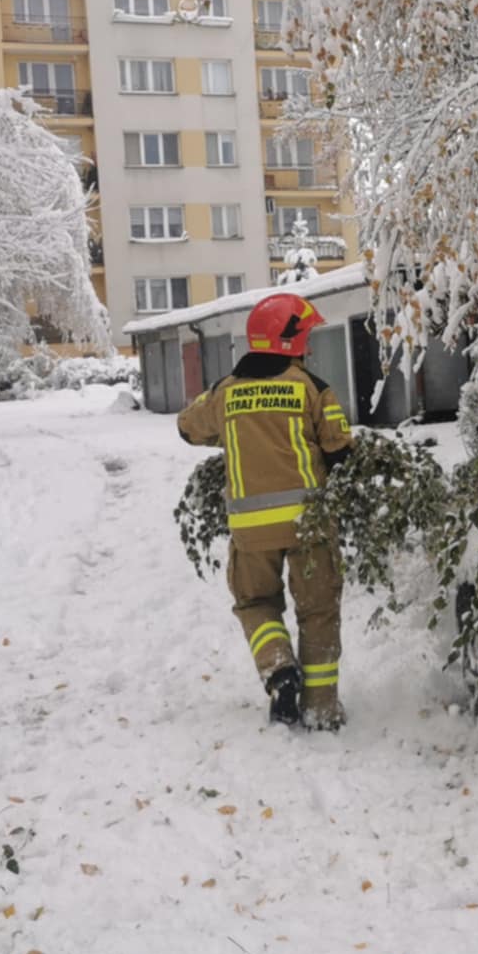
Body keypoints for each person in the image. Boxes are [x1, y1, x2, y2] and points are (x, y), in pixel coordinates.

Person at [178, 292, 354, 730]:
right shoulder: (313, 389)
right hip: (308, 525)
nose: (310, 346)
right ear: (288, 341)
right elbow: (340, 449)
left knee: (255, 601)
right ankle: (321, 708)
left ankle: (277, 668)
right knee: (318, 612)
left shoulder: (225, 391)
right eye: (306, 337)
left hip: (249, 530)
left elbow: (187, 427)